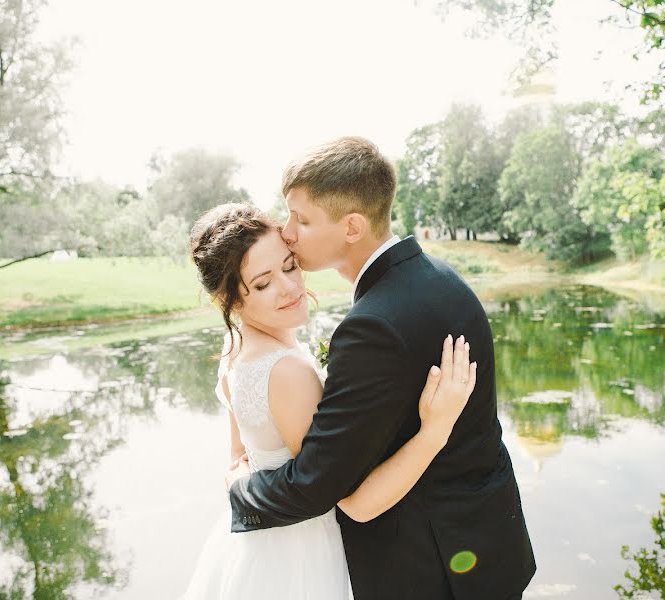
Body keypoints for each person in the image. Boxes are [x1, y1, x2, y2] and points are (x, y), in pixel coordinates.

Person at [225, 137, 535, 599]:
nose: (287, 232)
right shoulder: (440, 278)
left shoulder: (373, 325)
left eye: (302, 219)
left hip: (430, 569)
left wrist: (240, 491)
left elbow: (318, 484)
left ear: (352, 226)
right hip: (489, 545)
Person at [182, 202, 477, 599]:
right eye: (264, 283)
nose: (289, 287)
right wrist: (434, 430)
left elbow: (239, 458)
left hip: (254, 548)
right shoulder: (286, 372)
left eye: (289, 266)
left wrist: (241, 486)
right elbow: (352, 498)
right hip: (301, 557)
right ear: (231, 301)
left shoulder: (234, 349)